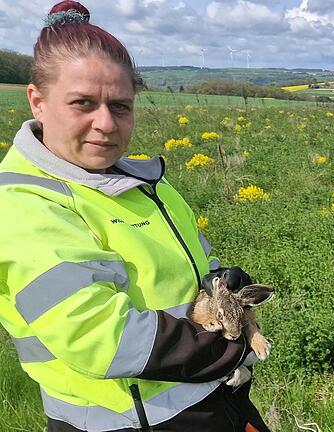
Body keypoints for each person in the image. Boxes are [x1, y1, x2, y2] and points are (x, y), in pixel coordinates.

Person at [0, 2, 270, 431]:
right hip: (132, 421)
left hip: (211, 398)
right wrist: (231, 347)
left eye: (121, 106)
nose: (105, 123)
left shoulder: (146, 183)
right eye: (83, 103)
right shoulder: (22, 205)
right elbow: (100, 337)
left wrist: (218, 283)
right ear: (38, 101)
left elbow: (193, 265)